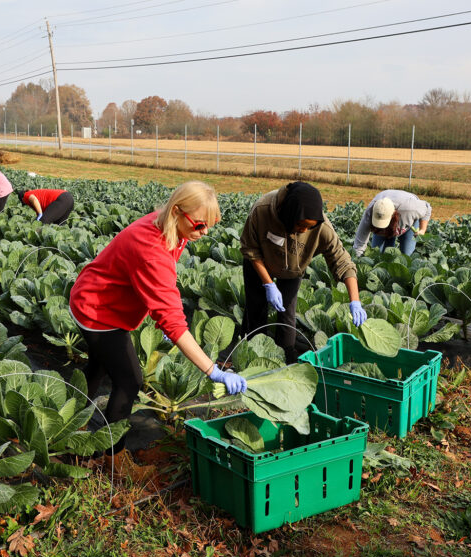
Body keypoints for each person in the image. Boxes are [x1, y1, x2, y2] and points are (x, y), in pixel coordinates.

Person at [69, 181, 247, 460]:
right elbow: (174, 321)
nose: (205, 232)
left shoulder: (168, 222)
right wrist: (213, 370)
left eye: (209, 225)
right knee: (129, 382)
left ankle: (70, 419)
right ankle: (111, 458)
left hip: (96, 296)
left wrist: (159, 314)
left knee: (101, 364)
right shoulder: (152, 249)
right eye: (200, 225)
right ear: (176, 210)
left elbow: (156, 289)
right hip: (98, 311)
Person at [241, 181, 367, 363]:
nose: (305, 230)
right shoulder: (263, 210)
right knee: (256, 308)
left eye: (310, 227)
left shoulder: (321, 227)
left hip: (293, 268)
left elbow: (343, 262)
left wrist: (355, 301)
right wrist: (268, 283)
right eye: (301, 225)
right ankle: (252, 355)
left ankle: (284, 356)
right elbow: (251, 249)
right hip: (259, 262)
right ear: (290, 214)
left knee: (287, 313)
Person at [352, 190, 433, 257]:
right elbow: (359, 244)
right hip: (388, 200)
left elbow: (427, 208)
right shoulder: (370, 213)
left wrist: (422, 230)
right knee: (376, 254)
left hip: (408, 220)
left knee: (407, 255)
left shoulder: (410, 209)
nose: (382, 229)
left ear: (393, 215)